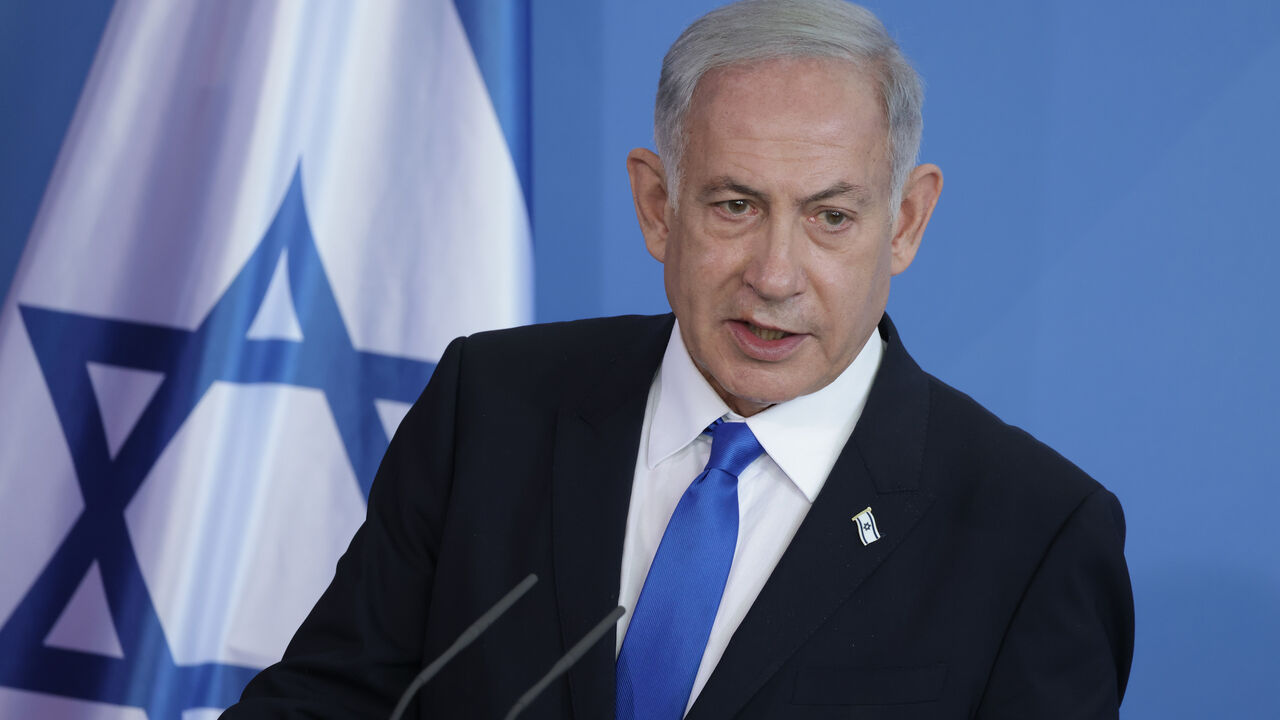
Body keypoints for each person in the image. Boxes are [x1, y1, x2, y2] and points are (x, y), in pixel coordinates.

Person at [225, 0, 1134, 717]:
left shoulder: (1034, 538)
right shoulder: (491, 407)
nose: (775, 274)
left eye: (830, 217)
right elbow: (326, 700)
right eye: (734, 205)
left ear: (904, 222)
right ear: (658, 205)